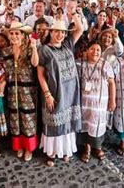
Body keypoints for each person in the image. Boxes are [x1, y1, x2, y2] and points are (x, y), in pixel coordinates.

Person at [37, 17, 84, 167]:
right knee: (54, 121)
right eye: (57, 31)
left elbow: (80, 29)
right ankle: (51, 153)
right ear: (51, 32)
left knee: (68, 120)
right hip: (54, 92)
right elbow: (40, 74)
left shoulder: (67, 44)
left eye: (63, 32)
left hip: (71, 92)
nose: (60, 35)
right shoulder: (44, 49)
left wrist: (73, 14)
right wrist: (47, 94)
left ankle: (65, 150)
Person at [1, 22, 39, 162]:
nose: (14, 36)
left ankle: (29, 148)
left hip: (28, 90)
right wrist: (3, 83)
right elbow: (5, 71)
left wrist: (34, 48)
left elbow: (35, 63)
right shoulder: (6, 51)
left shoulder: (29, 49)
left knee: (28, 119)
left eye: (17, 33)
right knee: (15, 118)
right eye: (12, 33)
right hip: (12, 90)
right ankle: (20, 146)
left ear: (23, 35)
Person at [77, 41, 116, 163]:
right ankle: (87, 148)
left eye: (98, 50)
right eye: (92, 49)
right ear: (87, 50)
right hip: (83, 103)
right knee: (85, 124)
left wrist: (112, 101)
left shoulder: (105, 65)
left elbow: (111, 83)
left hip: (100, 103)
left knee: (97, 124)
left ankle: (98, 147)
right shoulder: (80, 63)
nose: (95, 52)